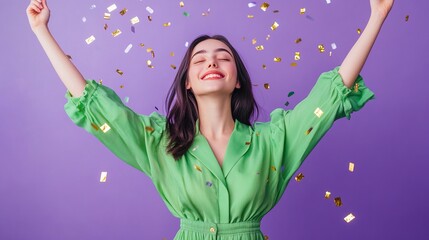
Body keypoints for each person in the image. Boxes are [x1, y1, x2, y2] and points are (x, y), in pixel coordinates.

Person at [27, 0, 394, 239]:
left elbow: (326, 100)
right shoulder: (159, 142)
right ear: (188, 81)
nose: (212, 62)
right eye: (199, 59)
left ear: (237, 79)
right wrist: (42, 32)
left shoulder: (274, 140)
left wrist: (376, 17)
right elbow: (98, 108)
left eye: (223, 57)